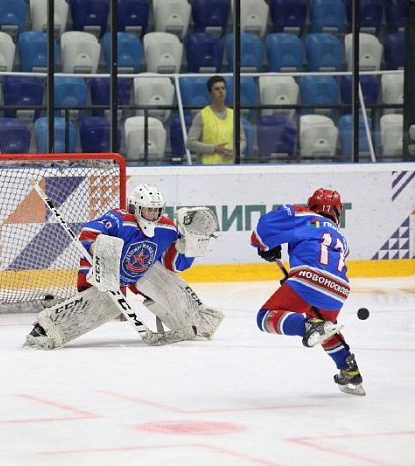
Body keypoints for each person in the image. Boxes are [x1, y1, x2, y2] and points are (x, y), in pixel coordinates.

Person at [24, 184, 224, 349]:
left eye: (156, 210)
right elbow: (89, 231)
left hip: (138, 273)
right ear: (135, 208)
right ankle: (47, 328)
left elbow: (172, 265)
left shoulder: (166, 228)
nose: (153, 214)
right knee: (106, 303)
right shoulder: (120, 219)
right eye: (148, 209)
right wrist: (97, 246)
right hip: (102, 268)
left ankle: (193, 323)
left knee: (165, 281)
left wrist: (183, 248)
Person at [250, 188, 365, 396]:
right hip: (339, 288)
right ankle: (350, 369)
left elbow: (264, 227)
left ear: (311, 205)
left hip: (309, 278)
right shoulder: (341, 238)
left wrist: (265, 246)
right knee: (326, 328)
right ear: (338, 213)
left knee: (265, 317)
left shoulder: (302, 215)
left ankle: (309, 326)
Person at [186, 75, 246, 165]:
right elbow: (190, 143)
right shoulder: (202, 115)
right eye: (217, 89)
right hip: (207, 167)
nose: (221, 91)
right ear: (210, 93)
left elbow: (243, 140)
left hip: (230, 166)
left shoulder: (234, 115)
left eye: (223, 88)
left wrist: (237, 150)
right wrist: (213, 148)